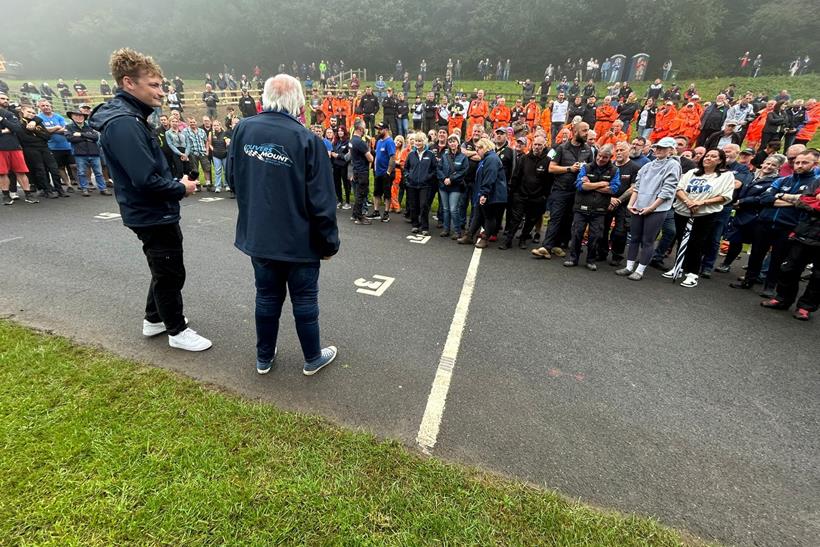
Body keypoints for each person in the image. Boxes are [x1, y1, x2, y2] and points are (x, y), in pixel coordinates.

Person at [89, 48, 209, 351]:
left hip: (150, 210)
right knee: (170, 271)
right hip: (150, 211)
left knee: (162, 268)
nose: (161, 92)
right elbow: (145, 180)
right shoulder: (124, 123)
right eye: (154, 85)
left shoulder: (131, 117)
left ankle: (154, 318)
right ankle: (176, 331)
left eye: (161, 85)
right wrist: (180, 188)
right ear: (129, 83)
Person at [227, 73, 339, 375]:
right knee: (304, 299)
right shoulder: (307, 140)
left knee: (266, 296)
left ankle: (264, 357)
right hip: (299, 240)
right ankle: (312, 357)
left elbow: (231, 179)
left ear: (265, 98)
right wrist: (329, 244)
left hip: (259, 236)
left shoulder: (243, 129)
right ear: (298, 101)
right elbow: (322, 203)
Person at [733, 151, 818, 296]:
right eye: (798, 162)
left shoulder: (814, 183)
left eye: (805, 163)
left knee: (777, 258)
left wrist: (780, 197)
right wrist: (791, 201)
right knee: (756, 254)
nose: (799, 165)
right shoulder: (783, 180)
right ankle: (748, 280)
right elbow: (765, 198)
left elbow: (806, 202)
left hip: (788, 225)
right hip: (765, 222)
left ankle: (770, 286)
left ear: (814, 165)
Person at [663, 148, 735, 288]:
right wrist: (688, 202)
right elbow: (679, 188)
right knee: (681, 240)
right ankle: (679, 267)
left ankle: (692, 273)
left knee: (697, 243)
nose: (708, 158)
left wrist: (701, 203)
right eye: (707, 156)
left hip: (705, 214)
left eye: (713, 156)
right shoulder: (692, 173)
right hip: (683, 211)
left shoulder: (725, 176)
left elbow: (725, 196)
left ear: (720, 160)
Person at [615, 137, 681, 280]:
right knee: (634, 238)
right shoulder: (648, 166)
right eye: (657, 147)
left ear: (671, 150)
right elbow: (637, 187)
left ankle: (640, 270)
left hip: (657, 210)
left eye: (663, 148)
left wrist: (651, 208)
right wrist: (630, 204)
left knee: (647, 240)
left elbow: (667, 191)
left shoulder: (673, 165)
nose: (658, 150)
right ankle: (629, 266)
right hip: (638, 207)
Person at [760, 165, 820, 320]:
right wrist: (814, 205)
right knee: (789, 268)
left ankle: (805, 307)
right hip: (804, 232)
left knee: (818, 277)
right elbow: (802, 201)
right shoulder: (817, 182)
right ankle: (782, 298)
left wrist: (815, 204)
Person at [532, 122, 592, 259]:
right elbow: (551, 168)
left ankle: (558, 245)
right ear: (575, 131)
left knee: (568, 219)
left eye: (587, 131)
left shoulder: (588, 150)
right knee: (556, 218)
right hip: (561, 189)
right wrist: (570, 168)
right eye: (584, 130)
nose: (586, 133)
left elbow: (591, 168)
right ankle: (546, 246)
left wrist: (585, 171)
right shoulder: (561, 148)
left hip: (578, 191)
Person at [720, 154, 785, 275]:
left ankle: (750, 273)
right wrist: (735, 200)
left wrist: (743, 201)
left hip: (757, 216)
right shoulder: (751, 175)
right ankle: (726, 263)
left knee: (757, 246)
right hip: (740, 213)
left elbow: (763, 197)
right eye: (767, 163)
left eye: (773, 165)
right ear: (763, 163)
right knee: (735, 240)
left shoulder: (776, 181)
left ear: (778, 167)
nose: (769, 166)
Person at [563, 144, 620, 270]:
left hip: (599, 210)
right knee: (577, 234)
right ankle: (573, 258)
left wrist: (591, 185)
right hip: (581, 207)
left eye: (604, 157)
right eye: (599, 156)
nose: (600, 159)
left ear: (610, 157)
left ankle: (590, 260)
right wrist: (601, 184)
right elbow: (580, 186)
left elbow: (613, 189)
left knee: (595, 236)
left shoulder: (614, 170)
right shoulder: (586, 167)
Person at [500, 134, 550, 249]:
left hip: (537, 197)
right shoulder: (524, 158)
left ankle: (523, 239)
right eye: (535, 144)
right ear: (532, 145)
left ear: (544, 146)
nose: (537, 147)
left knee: (531, 220)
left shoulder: (547, 161)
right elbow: (516, 176)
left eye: (540, 145)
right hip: (521, 195)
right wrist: (514, 193)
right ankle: (508, 240)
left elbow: (548, 181)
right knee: (515, 219)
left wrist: (544, 196)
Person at [457, 137, 507, 248]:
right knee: (478, 214)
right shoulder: (486, 158)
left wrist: (484, 193)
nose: (477, 151)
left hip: (493, 194)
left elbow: (490, 177)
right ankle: (469, 236)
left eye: (478, 149)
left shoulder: (491, 159)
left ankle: (485, 238)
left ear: (484, 147)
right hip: (487, 192)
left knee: (489, 216)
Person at [598, 141, 639, 265]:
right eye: (617, 150)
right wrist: (610, 199)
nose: (619, 152)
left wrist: (619, 200)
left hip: (624, 204)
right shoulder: (609, 166)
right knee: (602, 228)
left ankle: (617, 256)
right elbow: (602, 183)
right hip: (606, 201)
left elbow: (633, 188)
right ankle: (601, 252)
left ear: (629, 151)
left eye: (622, 150)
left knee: (620, 231)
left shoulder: (635, 167)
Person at [0, 93, 38, 205]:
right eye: (2, 98)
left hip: (15, 147)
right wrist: (6, 130)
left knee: (21, 171)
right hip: (1, 148)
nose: (6, 100)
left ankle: (28, 195)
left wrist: (2, 120)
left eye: (7, 98)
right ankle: (6, 196)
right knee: (2, 173)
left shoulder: (10, 114)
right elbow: (12, 128)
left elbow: (17, 128)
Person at [65, 109, 111, 196]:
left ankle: (103, 189)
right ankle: (84, 189)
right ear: (72, 117)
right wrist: (88, 137)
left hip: (94, 153)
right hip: (79, 154)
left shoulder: (90, 126)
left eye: (81, 115)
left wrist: (81, 135)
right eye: (76, 115)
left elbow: (95, 137)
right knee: (81, 172)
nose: (79, 117)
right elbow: (70, 138)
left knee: (99, 172)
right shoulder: (68, 127)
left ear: (84, 117)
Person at [404, 132, 438, 235]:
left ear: (424, 142)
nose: (418, 143)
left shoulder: (430, 154)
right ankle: (415, 225)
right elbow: (406, 168)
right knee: (413, 206)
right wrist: (408, 176)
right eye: (416, 141)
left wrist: (428, 177)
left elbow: (435, 169)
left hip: (425, 185)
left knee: (424, 205)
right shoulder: (411, 155)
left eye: (420, 141)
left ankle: (425, 227)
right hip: (412, 185)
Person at [437, 134, 469, 239]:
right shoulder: (444, 156)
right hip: (443, 186)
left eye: (454, 141)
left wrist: (451, 179)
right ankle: (446, 229)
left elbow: (463, 171)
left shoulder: (463, 157)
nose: (452, 143)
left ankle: (457, 230)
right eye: (450, 141)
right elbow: (439, 169)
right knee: (445, 209)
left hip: (455, 187)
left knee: (453, 209)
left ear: (458, 142)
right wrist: (444, 179)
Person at [370, 122, 396, 222]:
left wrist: (388, 172)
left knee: (387, 194)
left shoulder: (389, 142)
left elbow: (392, 157)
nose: (378, 131)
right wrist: (375, 169)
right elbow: (377, 155)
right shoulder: (379, 141)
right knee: (376, 193)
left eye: (380, 129)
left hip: (386, 173)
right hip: (378, 172)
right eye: (378, 129)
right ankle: (376, 211)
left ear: (386, 130)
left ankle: (386, 213)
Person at [349, 119, 373, 225]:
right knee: (361, 194)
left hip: (356, 169)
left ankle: (355, 214)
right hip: (362, 171)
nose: (365, 130)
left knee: (358, 193)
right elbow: (370, 158)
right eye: (364, 128)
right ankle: (359, 217)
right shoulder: (360, 142)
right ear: (360, 129)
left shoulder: (352, 140)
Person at [330, 125, 351, 209]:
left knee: (346, 184)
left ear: (344, 132)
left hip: (344, 166)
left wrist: (338, 155)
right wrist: (332, 154)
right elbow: (332, 151)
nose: (340, 132)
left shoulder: (348, 142)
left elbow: (348, 155)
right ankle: (339, 200)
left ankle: (348, 202)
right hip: (336, 166)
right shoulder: (335, 141)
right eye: (338, 131)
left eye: (342, 130)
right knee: (337, 183)